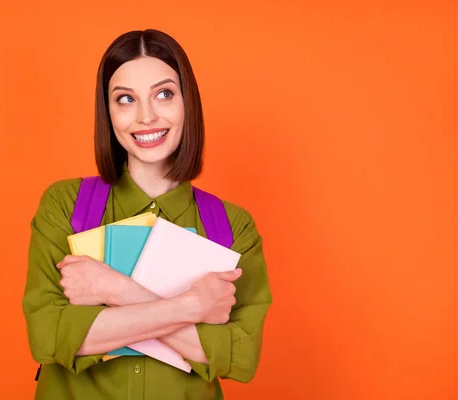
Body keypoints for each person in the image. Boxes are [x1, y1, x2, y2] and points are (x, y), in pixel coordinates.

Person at [22, 29, 272, 400]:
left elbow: (238, 356)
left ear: (188, 102)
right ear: (108, 112)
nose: (146, 116)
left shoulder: (232, 226)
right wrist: (193, 308)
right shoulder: (65, 204)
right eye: (125, 99)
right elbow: (48, 336)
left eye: (164, 94)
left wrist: (116, 290)